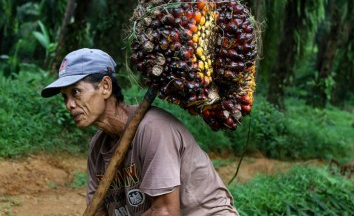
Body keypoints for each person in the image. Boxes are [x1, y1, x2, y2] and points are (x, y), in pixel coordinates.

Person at [41, 48, 239, 216]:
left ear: (105, 87)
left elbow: (165, 212)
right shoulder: (98, 147)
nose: (69, 105)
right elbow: (98, 210)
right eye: (64, 98)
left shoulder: (153, 130)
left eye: (75, 92)